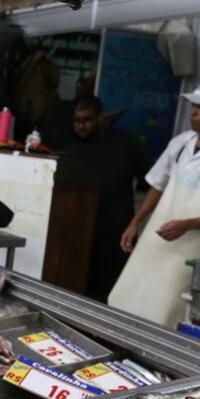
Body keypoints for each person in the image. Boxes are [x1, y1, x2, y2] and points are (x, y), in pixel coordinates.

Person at [108, 76, 200, 328]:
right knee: (128, 297)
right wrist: (135, 222)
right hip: (158, 239)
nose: (195, 112)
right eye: (193, 106)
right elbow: (158, 184)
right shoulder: (180, 143)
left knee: (167, 313)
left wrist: (188, 224)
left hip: (194, 248)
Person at [62, 96, 149, 302]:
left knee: (111, 290)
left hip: (116, 228)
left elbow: (150, 181)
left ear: (101, 118)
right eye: (77, 121)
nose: (81, 126)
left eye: (87, 120)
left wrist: (136, 222)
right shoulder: (68, 146)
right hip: (79, 230)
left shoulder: (123, 143)